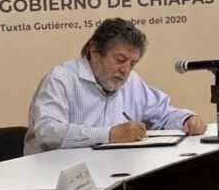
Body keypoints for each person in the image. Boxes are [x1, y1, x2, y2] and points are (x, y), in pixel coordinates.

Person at [24, 18, 206, 154]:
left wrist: (187, 119)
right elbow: (47, 132)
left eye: (133, 63)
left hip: (111, 173)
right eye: (120, 60)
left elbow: (163, 114)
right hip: (55, 179)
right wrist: (109, 135)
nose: (126, 70)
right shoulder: (61, 79)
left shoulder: (131, 81)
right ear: (94, 52)